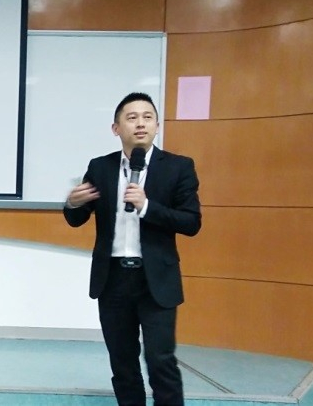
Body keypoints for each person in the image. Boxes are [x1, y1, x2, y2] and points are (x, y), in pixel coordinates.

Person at [64, 92, 201, 405]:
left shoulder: (178, 167)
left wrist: (147, 206)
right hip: (112, 279)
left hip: (156, 281)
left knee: (160, 361)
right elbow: (77, 218)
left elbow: (191, 222)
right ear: (116, 128)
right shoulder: (100, 167)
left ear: (157, 126)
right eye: (132, 117)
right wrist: (72, 203)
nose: (141, 123)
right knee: (122, 363)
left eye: (147, 117)